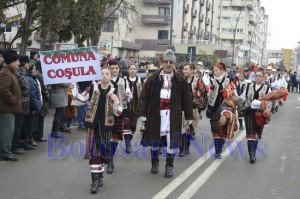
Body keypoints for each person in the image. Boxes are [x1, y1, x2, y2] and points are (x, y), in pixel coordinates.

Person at [137, 49, 193, 178]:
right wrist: (142, 113)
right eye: (166, 61)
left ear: (174, 64)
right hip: (155, 114)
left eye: (171, 62)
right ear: (161, 63)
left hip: (173, 114)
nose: (168, 64)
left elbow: (187, 99)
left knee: (171, 139)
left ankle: (169, 166)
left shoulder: (180, 80)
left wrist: (189, 116)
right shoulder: (153, 78)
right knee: (155, 139)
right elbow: (144, 96)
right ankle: (155, 162)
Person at [85, 66, 123, 194]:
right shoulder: (92, 88)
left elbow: (119, 112)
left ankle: (100, 174)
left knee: (105, 151)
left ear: (111, 76)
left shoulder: (114, 90)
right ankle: (95, 181)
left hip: (107, 126)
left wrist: (116, 101)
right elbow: (80, 99)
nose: (104, 75)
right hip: (94, 125)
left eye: (107, 73)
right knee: (95, 150)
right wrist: (73, 91)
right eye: (102, 73)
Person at [240, 68, 271, 163]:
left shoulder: (267, 88)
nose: (258, 78)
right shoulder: (248, 86)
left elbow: (269, 102)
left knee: (257, 135)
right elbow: (243, 97)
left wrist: (264, 109)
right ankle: (251, 154)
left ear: (263, 77)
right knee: (251, 134)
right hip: (249, 113)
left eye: (260, 76)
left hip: (260, 115)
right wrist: (236, 100)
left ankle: (254, 150)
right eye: (256, 76)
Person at [108, 60, 132, 174]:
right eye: (112, 68)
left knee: (116, 137)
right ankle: (109, 160)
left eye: (116, 68)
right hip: (106, 112)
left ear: (119, 69)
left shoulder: (124, 81)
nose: (114, 70)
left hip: (119, 112)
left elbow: (128, 96)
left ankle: (110, 158)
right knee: (107, 137)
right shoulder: (104, 80)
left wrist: (128, 96)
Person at [206, 62, 232, 159]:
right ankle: (218, 151)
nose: (215, 72)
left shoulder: (229, 81)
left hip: (225, 109)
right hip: (214, 109)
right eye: (214, 70)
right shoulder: (211, 81)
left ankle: (219, 147)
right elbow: (208, 94)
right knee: (215, 129)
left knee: (223, 131)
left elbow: (233, 94)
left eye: (216, 70)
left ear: (222, 71)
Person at [0, 50, 22, 161]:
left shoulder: (10, 72)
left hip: (10, 108)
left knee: (8, 130)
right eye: (17, 61)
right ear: (11, 61)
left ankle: (6, 151)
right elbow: (4, 91)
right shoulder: (5, 73)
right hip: (6, 108)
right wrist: (14, 101)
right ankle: (5, 152)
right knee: (7, 131)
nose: (19, 63)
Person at [12, 55, 35, 153]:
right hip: (21, 103)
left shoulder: (24, 73)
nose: (29, 64)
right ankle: (15, 146)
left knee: (23, 126)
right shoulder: (18, 73)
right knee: (18, 127)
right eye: (27, 62)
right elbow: (23, 89)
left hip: (26, 103)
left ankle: (22, 143)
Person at [123, 63, 144, 153]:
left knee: (133, 126)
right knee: (126, 124)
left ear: (136, 70)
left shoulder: (140, 80)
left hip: (136, 106)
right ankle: (127, 144)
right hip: (126, 106)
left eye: (134, 69)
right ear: (128, 70)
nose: (132, 70)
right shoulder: (123, 80)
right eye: (131, 69)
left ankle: (129, 140)